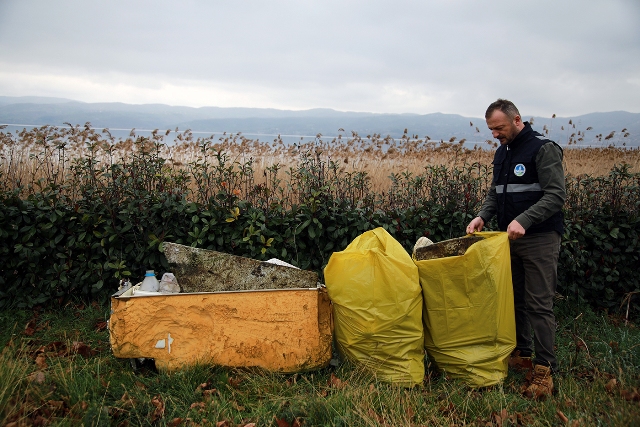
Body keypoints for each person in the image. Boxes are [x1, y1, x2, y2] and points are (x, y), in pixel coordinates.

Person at [466, 99, 566, 400]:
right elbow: (496, 193)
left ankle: (544, 368)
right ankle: (522, 354)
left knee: (538, 304)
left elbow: (556, 195)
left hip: (539, 239)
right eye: (491, 130)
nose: (495, 134)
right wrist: (483, 215)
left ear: (516, 120)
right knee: (515, 299)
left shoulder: (542, 149)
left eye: (499, 128)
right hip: (509, 241)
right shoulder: (502, 153)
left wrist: (524, 219)